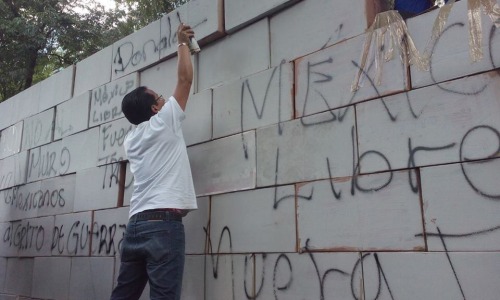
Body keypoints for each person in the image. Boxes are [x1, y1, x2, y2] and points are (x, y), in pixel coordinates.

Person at [110, 23, 197, 300]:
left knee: (123, 294)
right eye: (160, 97)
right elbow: (184, 81)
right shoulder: (164, 123)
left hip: (135, 224)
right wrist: (182, 44)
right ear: (155, 108)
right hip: (162, 224)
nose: (165, 98)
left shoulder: (131, 140)